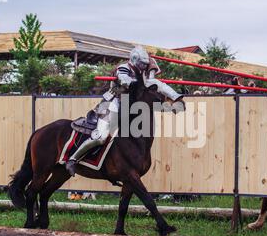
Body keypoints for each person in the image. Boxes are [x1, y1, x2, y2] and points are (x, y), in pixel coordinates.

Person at [66, 46, 183, 176]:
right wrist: (140, 82)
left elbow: (156, 83)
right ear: (134, 60)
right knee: (101, 136)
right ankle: (73, 159)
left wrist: (173, 95)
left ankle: (176, 98)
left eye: (145, 64)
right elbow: (125, 80)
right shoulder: (123, 68)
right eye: (141, 63)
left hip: (130, 104)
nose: (143, 66)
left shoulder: (143, 72)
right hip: (112, 102)